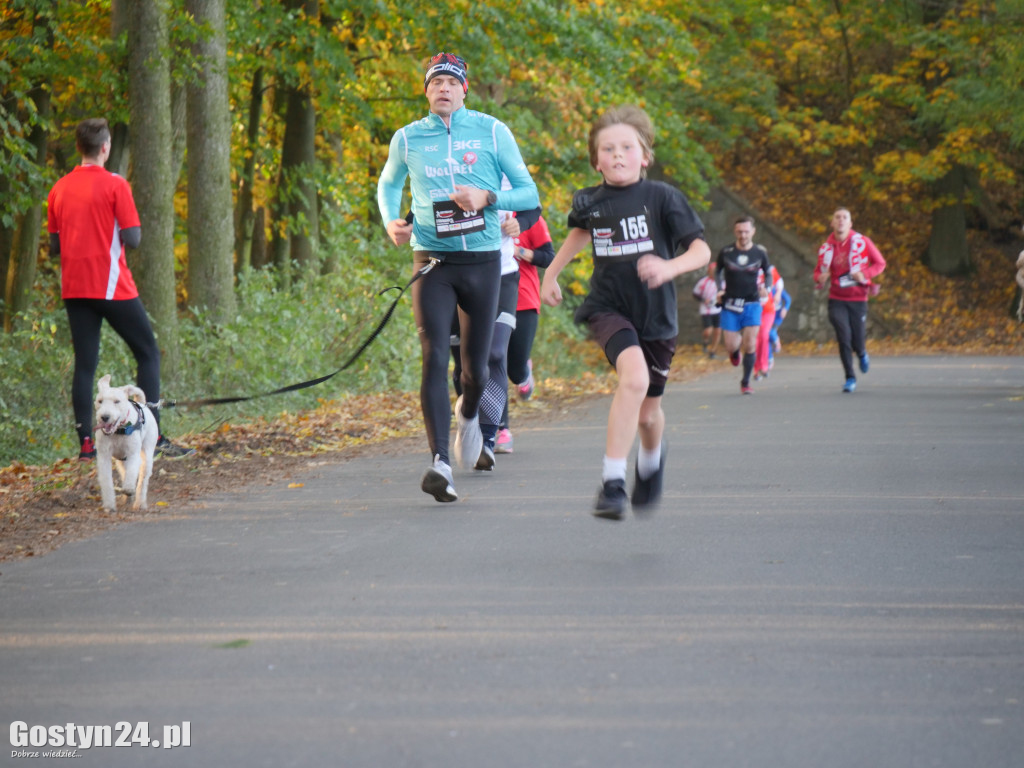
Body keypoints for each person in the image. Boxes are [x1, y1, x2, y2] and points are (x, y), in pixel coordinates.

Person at [377, 52, 539, 502]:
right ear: (426, 92)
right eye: (435, 83)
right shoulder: (408, 138)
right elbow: (389, 184)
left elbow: (528, 192)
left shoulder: (491, 131)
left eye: (451, 82)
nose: (443, 89)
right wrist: (392, 219)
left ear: (464, 89)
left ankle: (470, 416)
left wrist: (487, 196)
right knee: (433, 356)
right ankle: (439, 463)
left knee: (475, 370)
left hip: (484, 263)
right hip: (432, 262)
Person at [540, 105, 710, 520]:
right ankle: (612, 482)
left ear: (645, 156)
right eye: (607, 149)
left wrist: (668, 267)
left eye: (627, 148)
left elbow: (701, 251)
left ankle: (651, 461)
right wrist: (551, 273)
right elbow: (581, 232)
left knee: (649, 414)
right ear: (595, 159)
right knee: (632, 380)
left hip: (656, 316)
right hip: (609, 308)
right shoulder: (590, 202)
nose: (617, 155)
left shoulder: (662, 197)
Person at [46, 117, 194, 461]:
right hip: (112, 285)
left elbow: (54, 247)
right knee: (147, 353)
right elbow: (134, 238)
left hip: (75, 287)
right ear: (105, 148)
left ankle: (86, 446)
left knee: (85, 365)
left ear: (79, 148)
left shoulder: (59, 189)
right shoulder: (116, 185)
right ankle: (153, 439)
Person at [496, 211, 555, 454]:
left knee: (514, 367)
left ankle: (523, 375)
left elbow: (548, 257)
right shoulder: (485, 215)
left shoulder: (530, 218)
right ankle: (501, 430)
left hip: (524, 299)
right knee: (495, 359)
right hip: (493, 299)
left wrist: (517, 251)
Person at [814, 207, 886, 393]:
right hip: (837, 298)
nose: (840, 220)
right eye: (837, 217)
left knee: (857, 340)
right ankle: (850, 378)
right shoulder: (827, 247)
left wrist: (864, 274)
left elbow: (880, 263)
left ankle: (861, 353)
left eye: (844, 217)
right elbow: (818, 271)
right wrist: (820, 278)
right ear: (832, 223)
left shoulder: (862, 242)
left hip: (858, 298)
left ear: (850, 223)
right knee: (843, 336)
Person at [715, 216, 772, 394]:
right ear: (735, 231)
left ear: (753, 231)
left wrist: (767, 288)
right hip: (730, 303)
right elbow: (717, 271)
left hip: (752, 303)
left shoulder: (759, 252)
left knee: (750, 344)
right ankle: (734, 351)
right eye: (740, 231)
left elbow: (768, 273)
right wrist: (719, 289)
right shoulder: (726, 252)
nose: (743, 235)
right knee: (731, 345)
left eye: (746, 231)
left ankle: (746, 382)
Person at [754, 264, 782, 380]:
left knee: (764, 335)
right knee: (755, 338)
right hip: (753, 308)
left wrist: (779, 294)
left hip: (768, 309)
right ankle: (755, 369)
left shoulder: (769, 269)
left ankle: (764, 365)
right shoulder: (747, 269)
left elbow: (780, 283)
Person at [692, 261, 721, 359]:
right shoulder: (703, 282)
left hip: (718, 309)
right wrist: (704, 300)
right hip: (706, 310)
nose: (714, 273)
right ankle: (705, 342)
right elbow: (695, 294)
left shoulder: (722, 282)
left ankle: (713, 351)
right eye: (712, 271)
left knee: (718, 330)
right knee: (708, 330)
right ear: (709, 271)